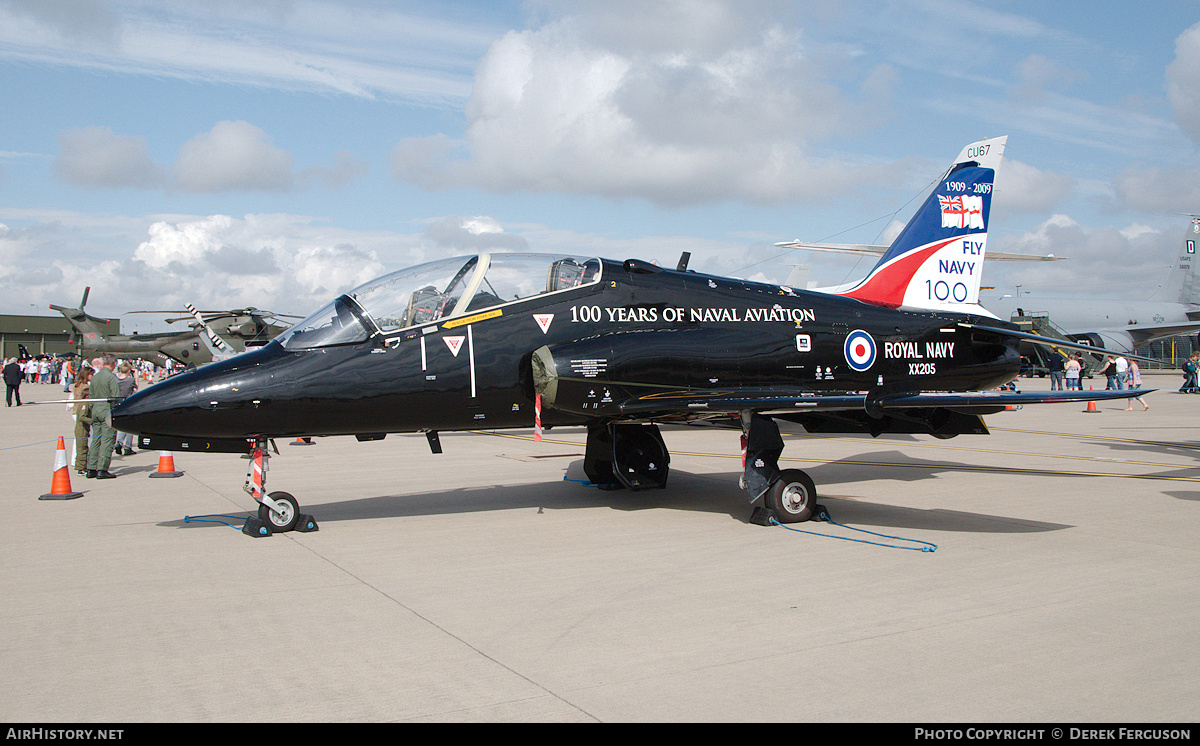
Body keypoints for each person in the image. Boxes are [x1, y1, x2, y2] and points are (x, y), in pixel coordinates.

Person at [85, 355, 119, 479]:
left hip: (96, 410)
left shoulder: (95, 378)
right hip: (106, 410)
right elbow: (116, 397)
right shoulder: (111, 378)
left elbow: (91, 396)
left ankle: (91, 467)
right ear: (114, 364)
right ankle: (102, 468)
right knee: (107, 440)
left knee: (96, 439)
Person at [114, 361, 138, 456]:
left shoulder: (116, 380)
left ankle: (119, 442)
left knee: (124, 425)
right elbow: (136, 389)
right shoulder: (130, 380)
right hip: (129, 402)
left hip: (119, 402)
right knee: (130, 425)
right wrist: (135, 375)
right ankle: (127, 446)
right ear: (129, 370)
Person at [72, 366, 93, 474]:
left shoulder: (77, 385)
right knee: (82, 443)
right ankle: (80, 464)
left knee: (79, 442)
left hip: (76, 410)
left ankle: (78, 462)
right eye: (91, 375)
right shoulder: (84, 387)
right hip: (81, 412)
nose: (92, 377)